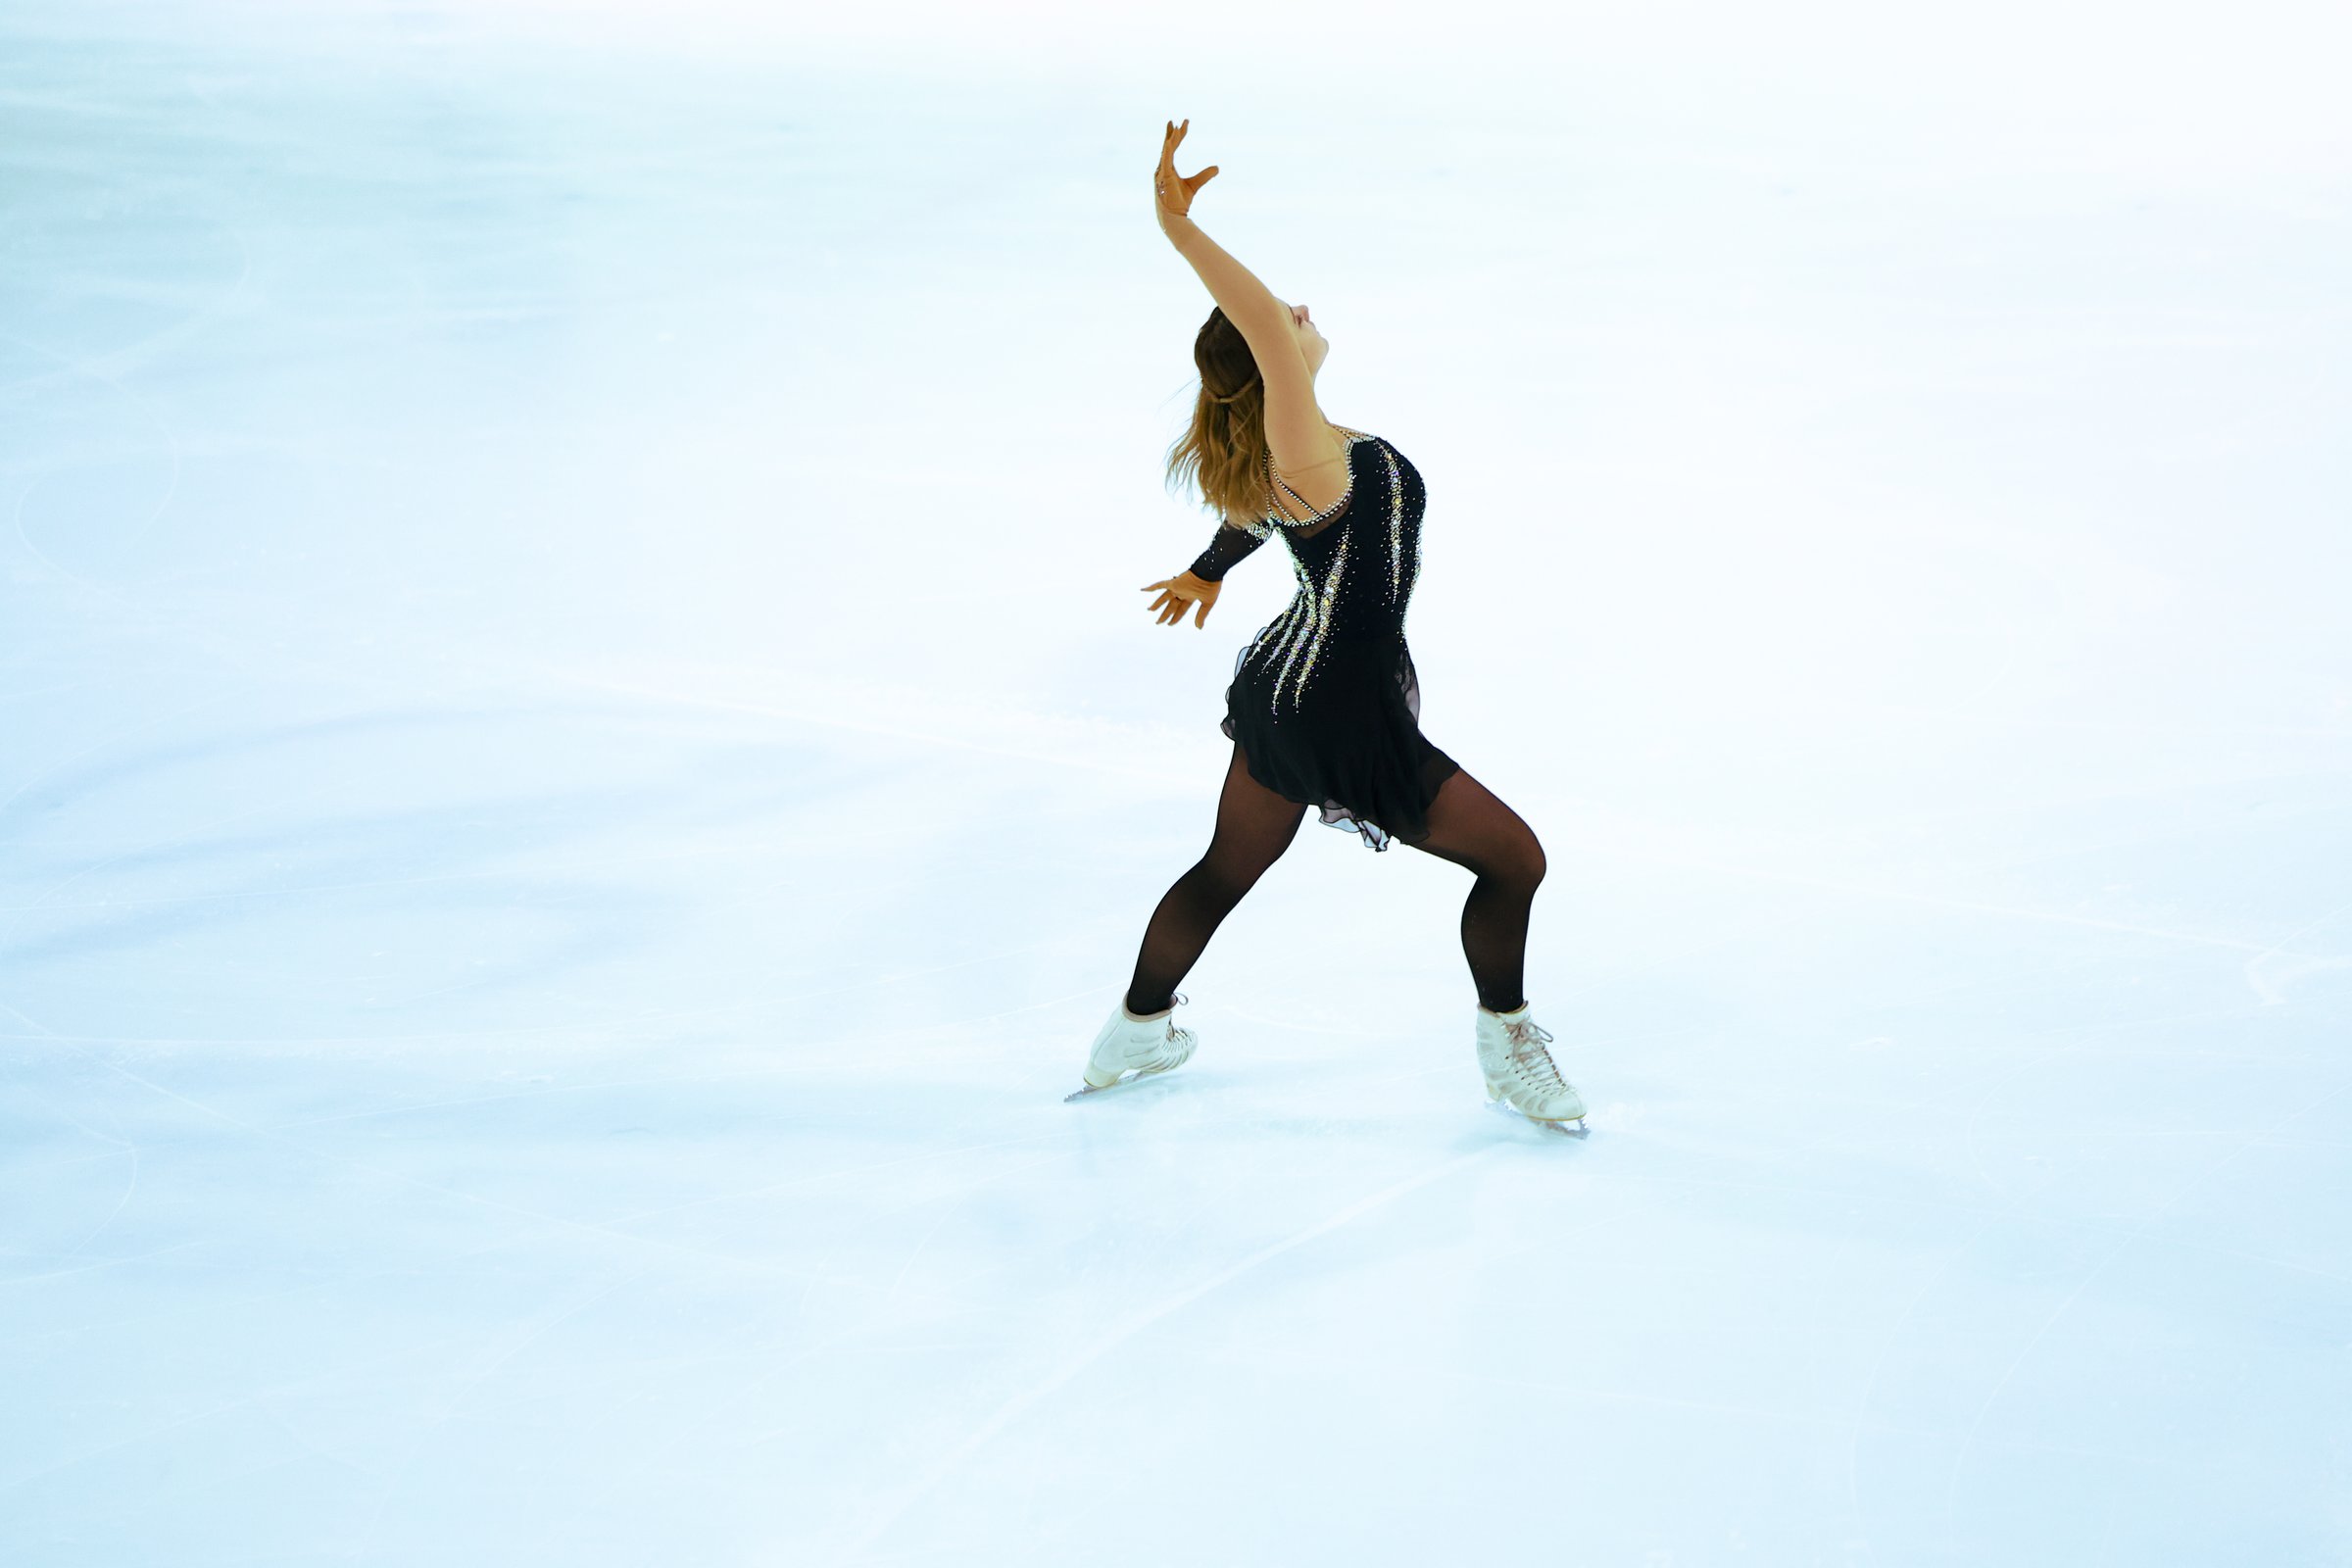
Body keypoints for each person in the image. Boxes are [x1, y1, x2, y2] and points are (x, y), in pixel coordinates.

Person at [1072, 119, 1585, 1130]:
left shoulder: (1288, 451)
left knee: (1227, 867)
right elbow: (1262, 323)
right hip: (1337, 708)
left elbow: (1256, 510)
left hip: (1282, 690)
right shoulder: (1300, 434)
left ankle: (1134, 1031)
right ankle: (1508, 1043)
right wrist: (1182, 232)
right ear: (1272, 368)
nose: (1298, 312)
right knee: (1514, 859)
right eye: (1280, 322)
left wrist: (1207, 568)